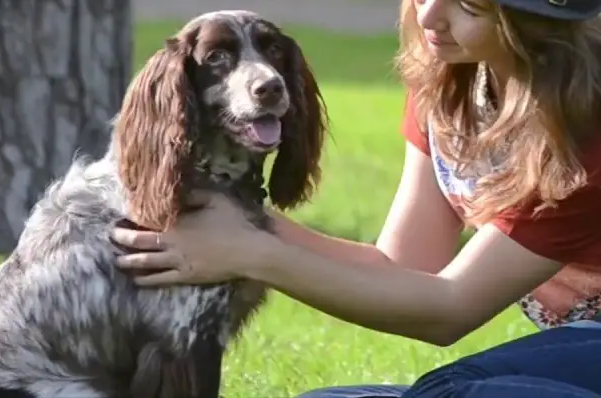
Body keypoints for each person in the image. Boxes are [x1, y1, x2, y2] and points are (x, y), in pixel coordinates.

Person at [110, 0, 601, 397]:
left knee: (448, 390)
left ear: (534, 23)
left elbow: (449, 308)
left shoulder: (585, 128)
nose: (429, 16)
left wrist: (252, 252)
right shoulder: (452, 82)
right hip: (576, 346)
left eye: (469, 6)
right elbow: (404, 264)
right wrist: (239, 222)